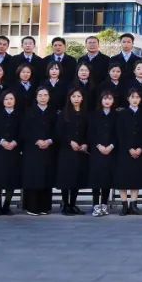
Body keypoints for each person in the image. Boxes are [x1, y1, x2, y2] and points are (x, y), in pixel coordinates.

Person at [114, 89, 142, 215]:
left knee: (136, 178)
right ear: (128, 99)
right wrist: (129, 148)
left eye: (137, 97)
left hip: (139, 151)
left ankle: (134, 205)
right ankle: (124, 205)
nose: (135, 99)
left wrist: (141, 148)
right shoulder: (122, 114)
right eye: (132, 97)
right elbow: (120, 133)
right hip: (125, 151)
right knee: (123, 178)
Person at [21, 86, 57, 216]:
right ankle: (31, 207)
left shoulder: (53, 112)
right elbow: (24, 130)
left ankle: (44, 207)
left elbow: (57, 130)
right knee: (33, 177)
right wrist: (36, 140)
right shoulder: (29, 112)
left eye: (45, 95)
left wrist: (49, 141)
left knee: (46, 177)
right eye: (40, 95)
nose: (43, 98)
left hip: (48, 149)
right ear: (36, 97)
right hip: (32, 149)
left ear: (49, 97)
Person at [55, 87, 89, 216]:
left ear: (82, 98)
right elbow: (59, 133)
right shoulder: (63, 113)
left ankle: (73, 204)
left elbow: (88, 132)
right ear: (69, 98)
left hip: (80, 151)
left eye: (79, 96)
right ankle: (65, 205)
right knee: (66, 178)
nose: (76, 99)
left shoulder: (86, 114)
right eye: (74, 96)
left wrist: (85, 143)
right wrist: (70, 142)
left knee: (76, 178)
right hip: (66, 150)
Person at [0, 91, 21, 216]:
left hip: (13, 150)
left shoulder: (20, 115)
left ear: (15, 100)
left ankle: (7, 206)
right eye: (6, 99)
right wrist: (2, 141)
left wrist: (15, 142)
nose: (9, 101)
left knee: (10, 179)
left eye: (11, 98)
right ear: (2, 100)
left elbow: (23, 131)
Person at [87, 91, 117, 217]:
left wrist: (111, 146)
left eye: (110, 99)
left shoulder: (116, 115)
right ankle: (95, 205)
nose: (107, 101)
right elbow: (90, 133)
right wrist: (99, 146)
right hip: (97, 151)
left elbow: (118, 134)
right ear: (101, 100)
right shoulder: (94, 115)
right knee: (96, 178)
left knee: (107, 178)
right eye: (105, 98)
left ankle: (104, 204)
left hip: (111, 151)